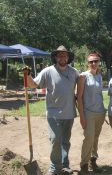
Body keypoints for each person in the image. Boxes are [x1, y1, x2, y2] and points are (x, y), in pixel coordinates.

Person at [23, 45, 79, 175]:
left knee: (65, 141)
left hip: (69, 113)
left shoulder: (74, 72)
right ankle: (54, 167)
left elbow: (82, 84)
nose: (62, 57)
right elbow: (34, 84)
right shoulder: (48, 71)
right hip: (53, 114)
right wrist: (28, 75)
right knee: (55, 140)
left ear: (68, 57)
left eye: (64, 55)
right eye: (59, 55)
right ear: (55, 57)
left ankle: (65, 165)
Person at [77, 52, 106, 174]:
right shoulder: (83, 76)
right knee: (88, 137)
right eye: (91, 61)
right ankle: (84, 164)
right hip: (88, 113)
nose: (93, 63)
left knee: (95, 138)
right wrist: (82, 116)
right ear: (87, 63)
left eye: (96, 61)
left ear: (99, 62)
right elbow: (79, 97)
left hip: (100, 112)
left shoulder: (99, 76)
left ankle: (93, 161)